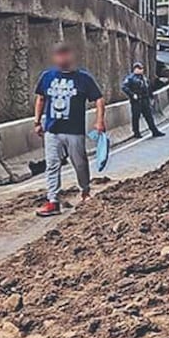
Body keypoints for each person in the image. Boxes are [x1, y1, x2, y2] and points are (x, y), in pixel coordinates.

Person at [33, 42, 105, 217]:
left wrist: (99, 121)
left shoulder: (83, 78)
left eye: (65, 54)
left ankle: (85, 191)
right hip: (52, 130)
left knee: (79, 164)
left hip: (74, 130)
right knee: (52, 165)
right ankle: (53, 201)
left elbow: (99, 99)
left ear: (71, 57)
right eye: (59, 55)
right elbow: (40, 99)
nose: (62, 58)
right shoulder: (47, 76)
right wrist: (37, 121)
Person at [121, 62, 166, 139]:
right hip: (137, 100)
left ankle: (154, 130)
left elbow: (148, 88)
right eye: (139, 68)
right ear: (135, 69)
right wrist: (132, 94)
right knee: (136, 116)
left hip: (145, 99)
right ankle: (136, 132)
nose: (141, 70)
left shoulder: (143, 78)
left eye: (142, 68)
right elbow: (124, 87)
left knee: (149, 116)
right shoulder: (130, 78)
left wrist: (151, 97)